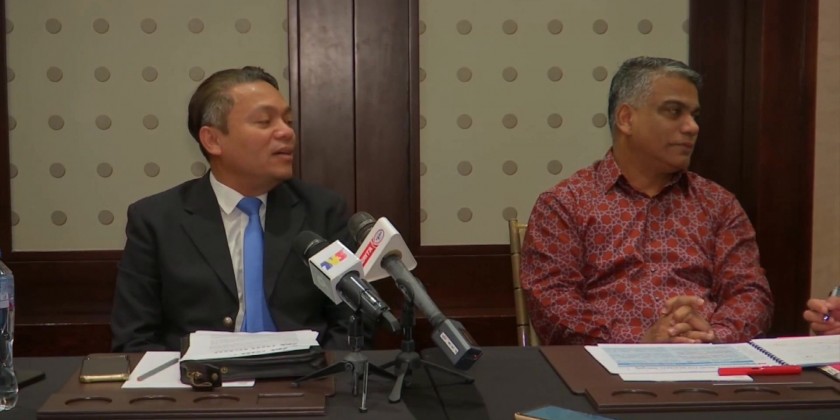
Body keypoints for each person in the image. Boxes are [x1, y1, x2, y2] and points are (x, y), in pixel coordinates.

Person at [520, 56, 774, 345]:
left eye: (694, 115)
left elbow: (750, 293)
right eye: (674, 111)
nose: (692, 127)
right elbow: (553, 305)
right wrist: (639, 344)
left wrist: (711, 336)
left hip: (707, 361)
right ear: (626, 119)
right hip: (604, 367)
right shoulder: (565, 205)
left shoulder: (718, 204)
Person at [111, 66, 354, 352]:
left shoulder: (322, 211)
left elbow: (350, 320)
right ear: (213, 140)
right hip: (198, 376)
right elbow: (134, 337)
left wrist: (320, 371)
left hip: (304, 373)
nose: (287, 132)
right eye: (264, 122)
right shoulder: (156, 220)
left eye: (288, 121)